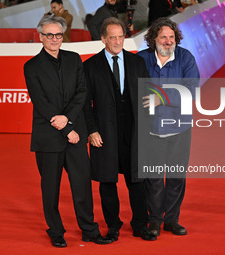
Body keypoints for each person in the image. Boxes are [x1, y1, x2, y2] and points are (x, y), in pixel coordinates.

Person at [23, 16, 112, 248]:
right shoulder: (31, 66)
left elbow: (81, 93)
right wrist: (66, 129)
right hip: (48, 137)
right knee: (50, 188)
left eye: (58, 35)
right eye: (49, 35)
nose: (54, 39)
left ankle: (89, 229)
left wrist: (69, 122)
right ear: (40, 37)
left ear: (63, 36)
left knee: (82, 185)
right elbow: (41, 103)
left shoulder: (74, 60)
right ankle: (55, 231)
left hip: (75, 134)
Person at [83, 17, 157, 242]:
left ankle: (140, 225)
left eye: (120, 36)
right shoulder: (89, 66)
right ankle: (113, 226)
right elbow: (85, 103)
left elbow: (147, 96)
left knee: (137, 180)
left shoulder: (137, 63)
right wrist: (91, 131)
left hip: (134, 132)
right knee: (107, 182)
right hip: (104, 133)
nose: (117, 41)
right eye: (112, 37)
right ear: (103, 38)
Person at [137, 17, 200, 236]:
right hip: (151, 129)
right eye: (163, 36)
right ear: (153, 38)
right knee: (153, 178)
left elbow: (191, 91)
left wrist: (160, 97)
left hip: (180, 128)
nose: (168, 41)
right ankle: (154, 220)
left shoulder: (185, 58)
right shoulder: (141, 59)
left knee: (176, 177)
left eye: (171, 37)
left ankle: (172, 219)